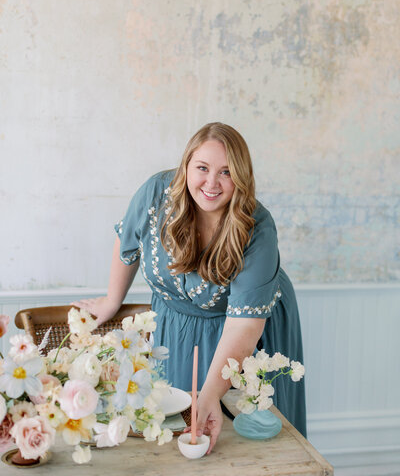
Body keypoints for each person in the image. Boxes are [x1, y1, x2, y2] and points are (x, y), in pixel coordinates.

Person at [74, 122, 306, 451]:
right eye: (202, 168)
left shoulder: (257, 227)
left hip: (244, 328)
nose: (211, 183)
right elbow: (128, 244)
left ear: (241, 177)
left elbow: (244, 326)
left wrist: (211, 393)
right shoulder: (156, 193)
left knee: (239, 437)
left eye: (226, 172)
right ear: (186, 166)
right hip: (174, 324)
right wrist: (113, 300)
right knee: (172, 427)